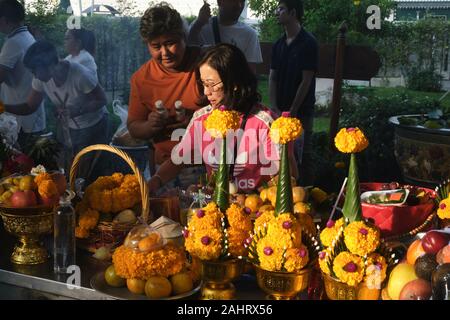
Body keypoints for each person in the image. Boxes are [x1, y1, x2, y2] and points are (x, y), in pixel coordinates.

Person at [147, 43, 298, 195]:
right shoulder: (202, 119)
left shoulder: (265, 123)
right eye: (203, 84)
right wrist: (155, 181)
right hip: (215, 206)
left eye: (212, 85)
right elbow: (178, 159)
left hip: (257, 208)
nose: (206, 92)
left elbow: (289, 176)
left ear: (234, 84)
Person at [127, 3, 204, 189]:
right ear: (147, 45)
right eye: (156, 46)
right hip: (164, 171)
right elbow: (133, 127)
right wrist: (150, 125)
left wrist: (194, 119)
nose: (165, 53)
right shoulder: (141, 79)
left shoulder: (206, 64)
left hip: (204, 166)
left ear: (184, 37)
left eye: (170, 43)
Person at [3, 40, 109, 176]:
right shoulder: (40, 79)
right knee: (67, 168)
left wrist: (78, 110)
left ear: (50, 65)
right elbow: (29, 106)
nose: (34, 75)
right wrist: (3, 107)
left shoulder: (80, 74)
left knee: (87, 172)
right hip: (68, 128)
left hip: (93, 126)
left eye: (35, 71)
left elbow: (101, 99)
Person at [269, 0, 318, 186]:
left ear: (293, 13)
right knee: (281, 153)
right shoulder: (278, 44)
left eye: (281, 8)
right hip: (279, 110)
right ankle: (286, 191)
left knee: (304, 154)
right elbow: (272, 77)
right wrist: (273, 106)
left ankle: (309, 194)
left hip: (302, 110)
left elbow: (306, 80)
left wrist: (294, 108)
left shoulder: (308, 43)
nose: (277, 12)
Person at [0, 0, 46, 149]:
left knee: (22, 168)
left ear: (4, 20)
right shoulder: (26, 36)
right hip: (30, 118)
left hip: (22, 121)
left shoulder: (14, 43)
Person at [188, 0, 262, 72]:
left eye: (242, 1)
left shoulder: (249, 34)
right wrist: (198, 24)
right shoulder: (200, 26)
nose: (239, 5)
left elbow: (250, 74)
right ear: (219, 2)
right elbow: (188, 52)